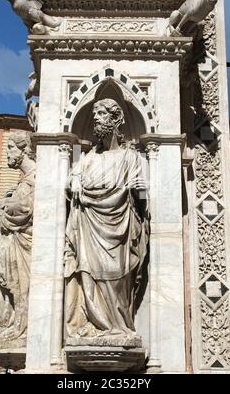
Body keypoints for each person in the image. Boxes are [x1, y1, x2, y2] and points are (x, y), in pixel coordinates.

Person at [64, 98, 149, 340]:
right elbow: (71, 181)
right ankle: (97, 326)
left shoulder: (130, 157)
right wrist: (75, 182)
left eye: (101, 114)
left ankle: (121, 328)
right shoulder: (88, 158)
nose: (96, 119)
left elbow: (141, 196)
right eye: (95, 114)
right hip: (89, 228)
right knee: (89, 277)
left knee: (118, 278)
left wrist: (140, 191)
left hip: (119, 230)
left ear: (116, 119)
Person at [0, 131, 36, 347]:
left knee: (21, 289)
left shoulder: (36, 178)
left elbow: (31, 210)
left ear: (24, 149)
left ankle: (22, 328)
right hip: (11, 246)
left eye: (10, 147)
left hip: (24, 249)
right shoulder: (22, 182)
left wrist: (10, 206)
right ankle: (14, 326)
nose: (7, 152)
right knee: (7, 291)